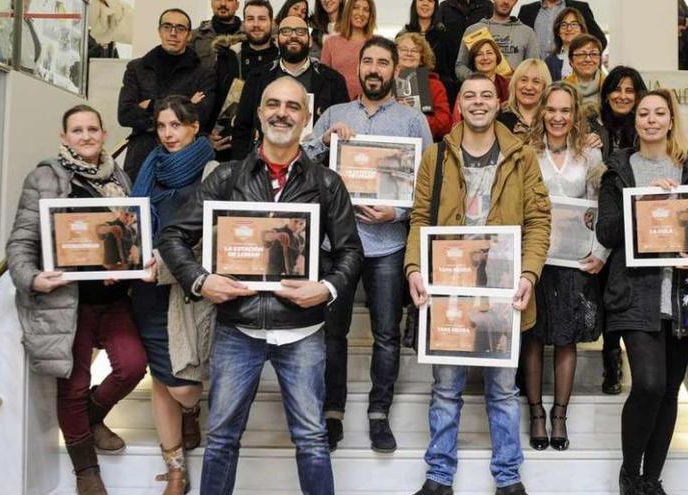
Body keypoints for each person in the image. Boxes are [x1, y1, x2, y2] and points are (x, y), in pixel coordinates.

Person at [157, 76, 364, 495]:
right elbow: (172, 237)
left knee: (311, 440)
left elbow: (351, 253)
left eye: (291, 106)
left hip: (302, 331)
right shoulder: (226, 177)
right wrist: (201, 280)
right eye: (273, 103)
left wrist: (325, 289)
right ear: (259, 112)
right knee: (221, 441)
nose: (281, 112)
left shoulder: (327, 182)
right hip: (237, 330)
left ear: (306, 119)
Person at [405, 73, 551, 495]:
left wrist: (529, 274)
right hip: (447, 290)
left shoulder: (522, 156)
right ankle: (438, 477)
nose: (479, 102)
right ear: (459, 104)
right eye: (470, 95)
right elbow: (419, 219)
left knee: (503, 392)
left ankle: (508, 478)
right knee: (446, 389)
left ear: (497, 102)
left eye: (487, 95)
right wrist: (414, 267)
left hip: (503, 293)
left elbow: (540, 220)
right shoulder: (437, 155)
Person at [596, 89, 688, 495]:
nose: (652, 120)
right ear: (635, 121)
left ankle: (650, 480)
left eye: (660, 113)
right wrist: (646, 202)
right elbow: (606, 231)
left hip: (683, 299)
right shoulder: (617, 171)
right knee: (648, 384)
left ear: (671, 119)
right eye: (644, 113)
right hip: (634, 295)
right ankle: (629, 473)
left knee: (669, 392)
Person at [6, 105, 149, 495]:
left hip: (115, 297)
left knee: (133, 366)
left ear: (104, 135)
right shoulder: (44, 178)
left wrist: (138, 261)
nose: (86, 136)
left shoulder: (119, 176)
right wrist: (33, 279)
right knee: (74, 382)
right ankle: (86, 471)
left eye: (92, 129)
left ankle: (89, 417)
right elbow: (21, 241)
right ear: (64, 137)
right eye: (77, 130)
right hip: (69, 302)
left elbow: (128, 233)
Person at [307, 36, 434, 453]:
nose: (375, 69)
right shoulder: (334, 114)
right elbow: (300, 166)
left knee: (386, 335)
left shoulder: (413, 122)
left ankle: (379, 413)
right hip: (337, 244)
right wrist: (323, 142)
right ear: (358, 69)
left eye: (383, 62)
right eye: (368, 62)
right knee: (333, 334)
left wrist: (396, 214)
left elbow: (429, 187)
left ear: (396, 71)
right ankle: (332, 413)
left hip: (388, 244)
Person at [129, 96, 219, 494]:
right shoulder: (148, 167)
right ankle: (175, 469)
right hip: (147, 287)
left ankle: (192, 409)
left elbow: (213, 238)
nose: (168, 134)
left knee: (183, 384)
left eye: (177, 126)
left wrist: (169, 267)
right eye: (162, 126)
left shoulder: (213, 170)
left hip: (187, 287)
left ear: (194, 127)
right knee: (161, 378)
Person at [522, 81, 607, 452]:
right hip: (536, 258)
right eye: (551, 109)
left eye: (565, 110)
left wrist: (601, 252)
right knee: (535, 336)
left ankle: (560, 414)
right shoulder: (525, 152)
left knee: (566, 337)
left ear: (575, 116)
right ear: (542, 111)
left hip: (574, 260)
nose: (557, 117)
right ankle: (536, 413)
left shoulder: (589, 156)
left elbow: (601, 208)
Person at [587, 66, 648, 395]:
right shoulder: (592, 127)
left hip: (640, 224)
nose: (623, 96)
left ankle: (622, 361)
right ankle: (611, 360)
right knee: (608, 292)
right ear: (606, 92)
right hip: (604, 219)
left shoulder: (648, 128)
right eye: (617, 89)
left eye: (630, 90)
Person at [231, 15, 350, 160]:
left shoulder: (333, 80)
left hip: (317, 169)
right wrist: (243, 171)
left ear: (310, 40)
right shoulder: (257, 78)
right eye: (286, 31)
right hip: (264, 168)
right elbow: (241, 129)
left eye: (300, 32)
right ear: (276, 40)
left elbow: (342, 132)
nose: (293, 36)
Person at [117, 8, 216, 181]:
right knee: (138, 207)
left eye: (180, 28)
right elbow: (125, 115)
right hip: (142, 156)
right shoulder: (137, 68)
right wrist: (185, 104)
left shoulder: (204, 72)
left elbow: (201, 116)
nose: (173, 33)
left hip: (184, 160)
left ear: (189, 35)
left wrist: (150, 105)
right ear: (159, 31)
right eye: (167, 26)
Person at [206, 0, 280, 160]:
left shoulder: (283, 59)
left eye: (262, 19)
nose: (256, 24)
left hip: (274, 147)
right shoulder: (228, 57)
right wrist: (206, 134)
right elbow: (213, 96)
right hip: (230, 148)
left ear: (272, 22)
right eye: (250, 19)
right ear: (244, 22)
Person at [455, 0, 541, 82]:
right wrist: (479, 80)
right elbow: (460, 66)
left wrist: (518, 79)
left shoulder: (527, 33)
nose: (506, 2)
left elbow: (534, 67)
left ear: (516, 2)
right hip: (480, 93)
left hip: (513, 94)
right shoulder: (473, 30)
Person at [395, 32, 453, 140]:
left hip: (423, 146)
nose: (409, 53)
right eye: (403, 49)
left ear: (422, 58)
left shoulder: (434, 85)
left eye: (415, 50)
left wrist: (416, 116)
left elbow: (445, 125)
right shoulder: (385, 83)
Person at [399, 0, 458, 105]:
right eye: (421, 0)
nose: (425, 4)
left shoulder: (446, 35)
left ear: (435, 6)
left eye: (430, 1)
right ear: (415, 4)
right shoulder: (403, 35)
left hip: (441, 93)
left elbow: (453, 69)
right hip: (408, 89)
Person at [321, 0, 377, 100]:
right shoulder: (331, 43)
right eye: (356, 8)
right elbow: (322, 80)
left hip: (371, 104)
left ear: (370, 15)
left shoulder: (378, 43)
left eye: (366, 10)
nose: (360, 13)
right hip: (338, 104)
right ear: (348, 11)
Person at [440, 0, 494, 101]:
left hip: (479, 73)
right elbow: (439, 38)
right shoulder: (445, 6)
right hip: (450, 75)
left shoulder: (487, 5)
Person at [518, 0, 607, 55]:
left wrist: (583, 58)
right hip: (537, 74)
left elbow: (600, 40)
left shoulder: (580, 8)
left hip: (568, 74)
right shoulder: (526, 11)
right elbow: (519, 44)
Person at [453, 38, 510, 121]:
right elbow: (456, 121)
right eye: (479, 54)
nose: (485, 57)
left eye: (489, 53)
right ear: (473, 60)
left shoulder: (509, 86)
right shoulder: (466, 88)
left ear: (497, 57)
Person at [497, 58, 551, 138]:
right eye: (523, 80)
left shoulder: (551, 119)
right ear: (515, 84)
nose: (529, 87)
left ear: (544, 87)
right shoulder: (499, 119)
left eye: (536, 82)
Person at [190, 0, 243, 67]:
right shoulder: (195, 36)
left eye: (229, 0)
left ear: (237, 5)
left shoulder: (249, 35)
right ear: (211, 4)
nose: (223, 3)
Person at [543, 7, 588, 82]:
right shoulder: (550, 62)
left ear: (582, 29)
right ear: (558, 31)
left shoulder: (591, 57)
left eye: (574, 24)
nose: (569, 28)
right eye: (563, 25)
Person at [564, 33, 605, 111]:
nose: (588, 59)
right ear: (571, 61)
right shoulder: (563, 89)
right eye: (581, 54)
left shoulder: (610, 87)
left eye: (593, 54)